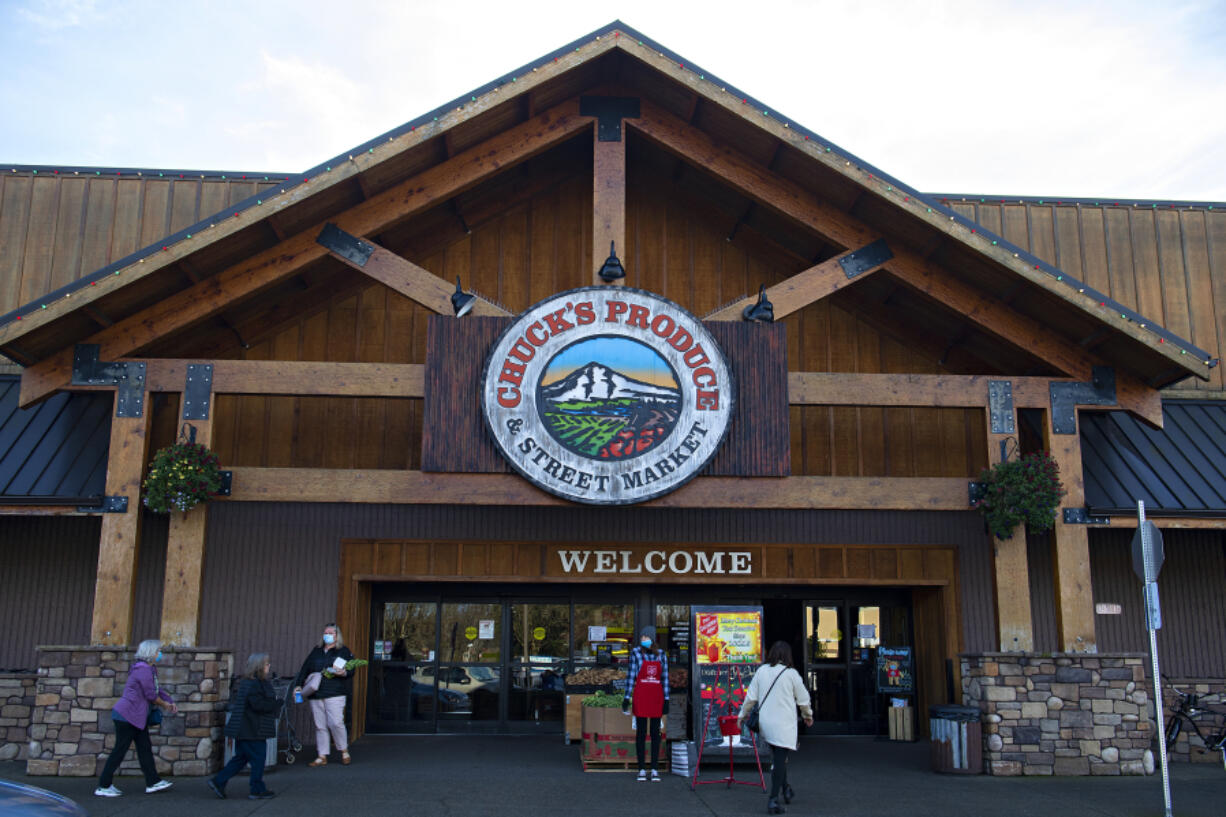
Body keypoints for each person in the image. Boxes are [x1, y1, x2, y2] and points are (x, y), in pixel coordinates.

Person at [94, 639, 177, 798]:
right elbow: (151, 695)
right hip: (127, 716)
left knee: (144, 748)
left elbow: (157, 690)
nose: (160, 654)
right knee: (120, 750)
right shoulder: (144, 670)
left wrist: (169, 700)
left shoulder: (149, 669)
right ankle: (104, 785)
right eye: (158, 651)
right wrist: (165, 705)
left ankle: (153, 781)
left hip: (136, 717)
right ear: (151, 653)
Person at [738, 641, 813, 815]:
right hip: (784, 724)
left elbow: (751, 697)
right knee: (780, 760)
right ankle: (773, 800)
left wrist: (742, 716)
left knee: (779, 758)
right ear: (788, 656)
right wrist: (807, 715)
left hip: (765, 723)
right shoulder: (791, 674)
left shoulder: (762, 671)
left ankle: (786, 788)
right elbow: (803, 698)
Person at [207, 653, 278, 800]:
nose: (268, 666)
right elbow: (258, 705)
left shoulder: (248, 682)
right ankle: (256, 789)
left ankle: (219, 781)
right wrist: (277, 704)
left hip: (244, 728)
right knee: (258, 759)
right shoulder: (254, 684)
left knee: (241, 758)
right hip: (252, 729)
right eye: (266, 664)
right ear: (258, 667)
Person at [293, 622, 354, 767]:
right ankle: (322, 755)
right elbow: (305, 669)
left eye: (331, 633)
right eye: (326, 633)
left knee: (336, 722)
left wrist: (344, 672)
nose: (328, 635)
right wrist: (298, 685)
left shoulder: (343, 651)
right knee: (320, 725)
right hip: (316, 692)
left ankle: (344, 750)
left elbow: (351, 669)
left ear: (337, 635)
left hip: (335, 692)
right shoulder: (316, 651)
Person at [623, 626, 668, 782]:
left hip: (656, 696)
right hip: (641, 695)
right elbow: (630, 677)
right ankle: (641, 768)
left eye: (646, 638)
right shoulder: (636, 653)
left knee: (655, 734)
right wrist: (626, 698)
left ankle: (654, 768)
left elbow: (665, 679)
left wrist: (667, 700)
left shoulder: (662, 655)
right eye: (642, 638)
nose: (644, 640)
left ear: (653, 639)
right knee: (641, 733)